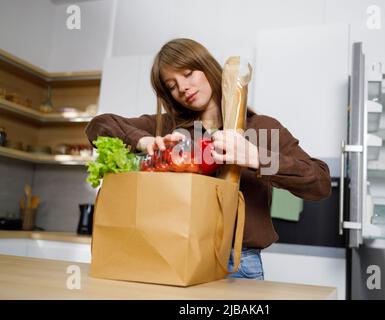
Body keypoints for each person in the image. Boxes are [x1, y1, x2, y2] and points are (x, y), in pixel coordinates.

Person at [85, 38, 331, 280]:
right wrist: (145, 141)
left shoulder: (262, 129)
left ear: (207, 68)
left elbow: (320, 182)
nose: (182, 87)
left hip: (240, 264)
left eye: (189, 73)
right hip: (172, 254)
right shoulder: (164, 126)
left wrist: (256, 157)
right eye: (172, 85)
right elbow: (99, 125)